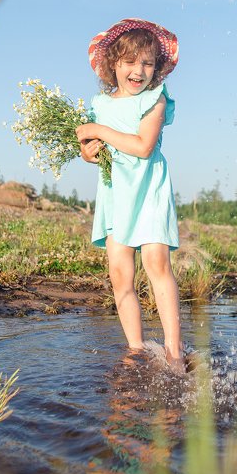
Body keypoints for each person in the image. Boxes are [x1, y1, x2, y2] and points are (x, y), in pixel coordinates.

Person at [75, 18, 184, 372]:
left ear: (157, 68)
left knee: (156, 264)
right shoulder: (99, 104)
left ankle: (173, 351)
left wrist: (98, 131)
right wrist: (87, 149)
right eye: (129, 62)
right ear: (112, 65)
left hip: (149, 188)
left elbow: (142, 146)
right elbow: (90, 149)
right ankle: (136, 349)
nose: (138, 70)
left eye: (147, 63)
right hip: (114, 193)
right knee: (120, 275)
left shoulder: (156, 99)